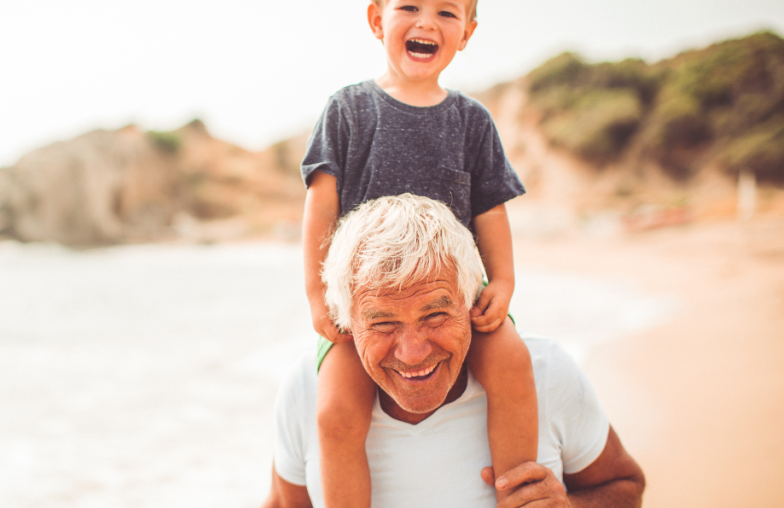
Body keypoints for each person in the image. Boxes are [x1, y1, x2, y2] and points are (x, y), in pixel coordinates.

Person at [300, 0, 533, 505]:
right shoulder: (348, 110)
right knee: (335, 410)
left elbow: (490, 208)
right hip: (367, 312)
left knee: (513, 362)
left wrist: (503, 279)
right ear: (377, 20)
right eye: (410, 8)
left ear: (467, 32)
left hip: (455, 301)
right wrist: (317, 294)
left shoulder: (472, 121)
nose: (427, 22)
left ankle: (519, 492)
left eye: (447, 13)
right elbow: (321, 204)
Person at [268, 195, 645, 507]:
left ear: (471, 301)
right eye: (383, 323)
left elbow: (627, 487)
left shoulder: (546, 373)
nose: (412, 353)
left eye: (434, 315)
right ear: (347, 321)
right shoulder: (306, 393)